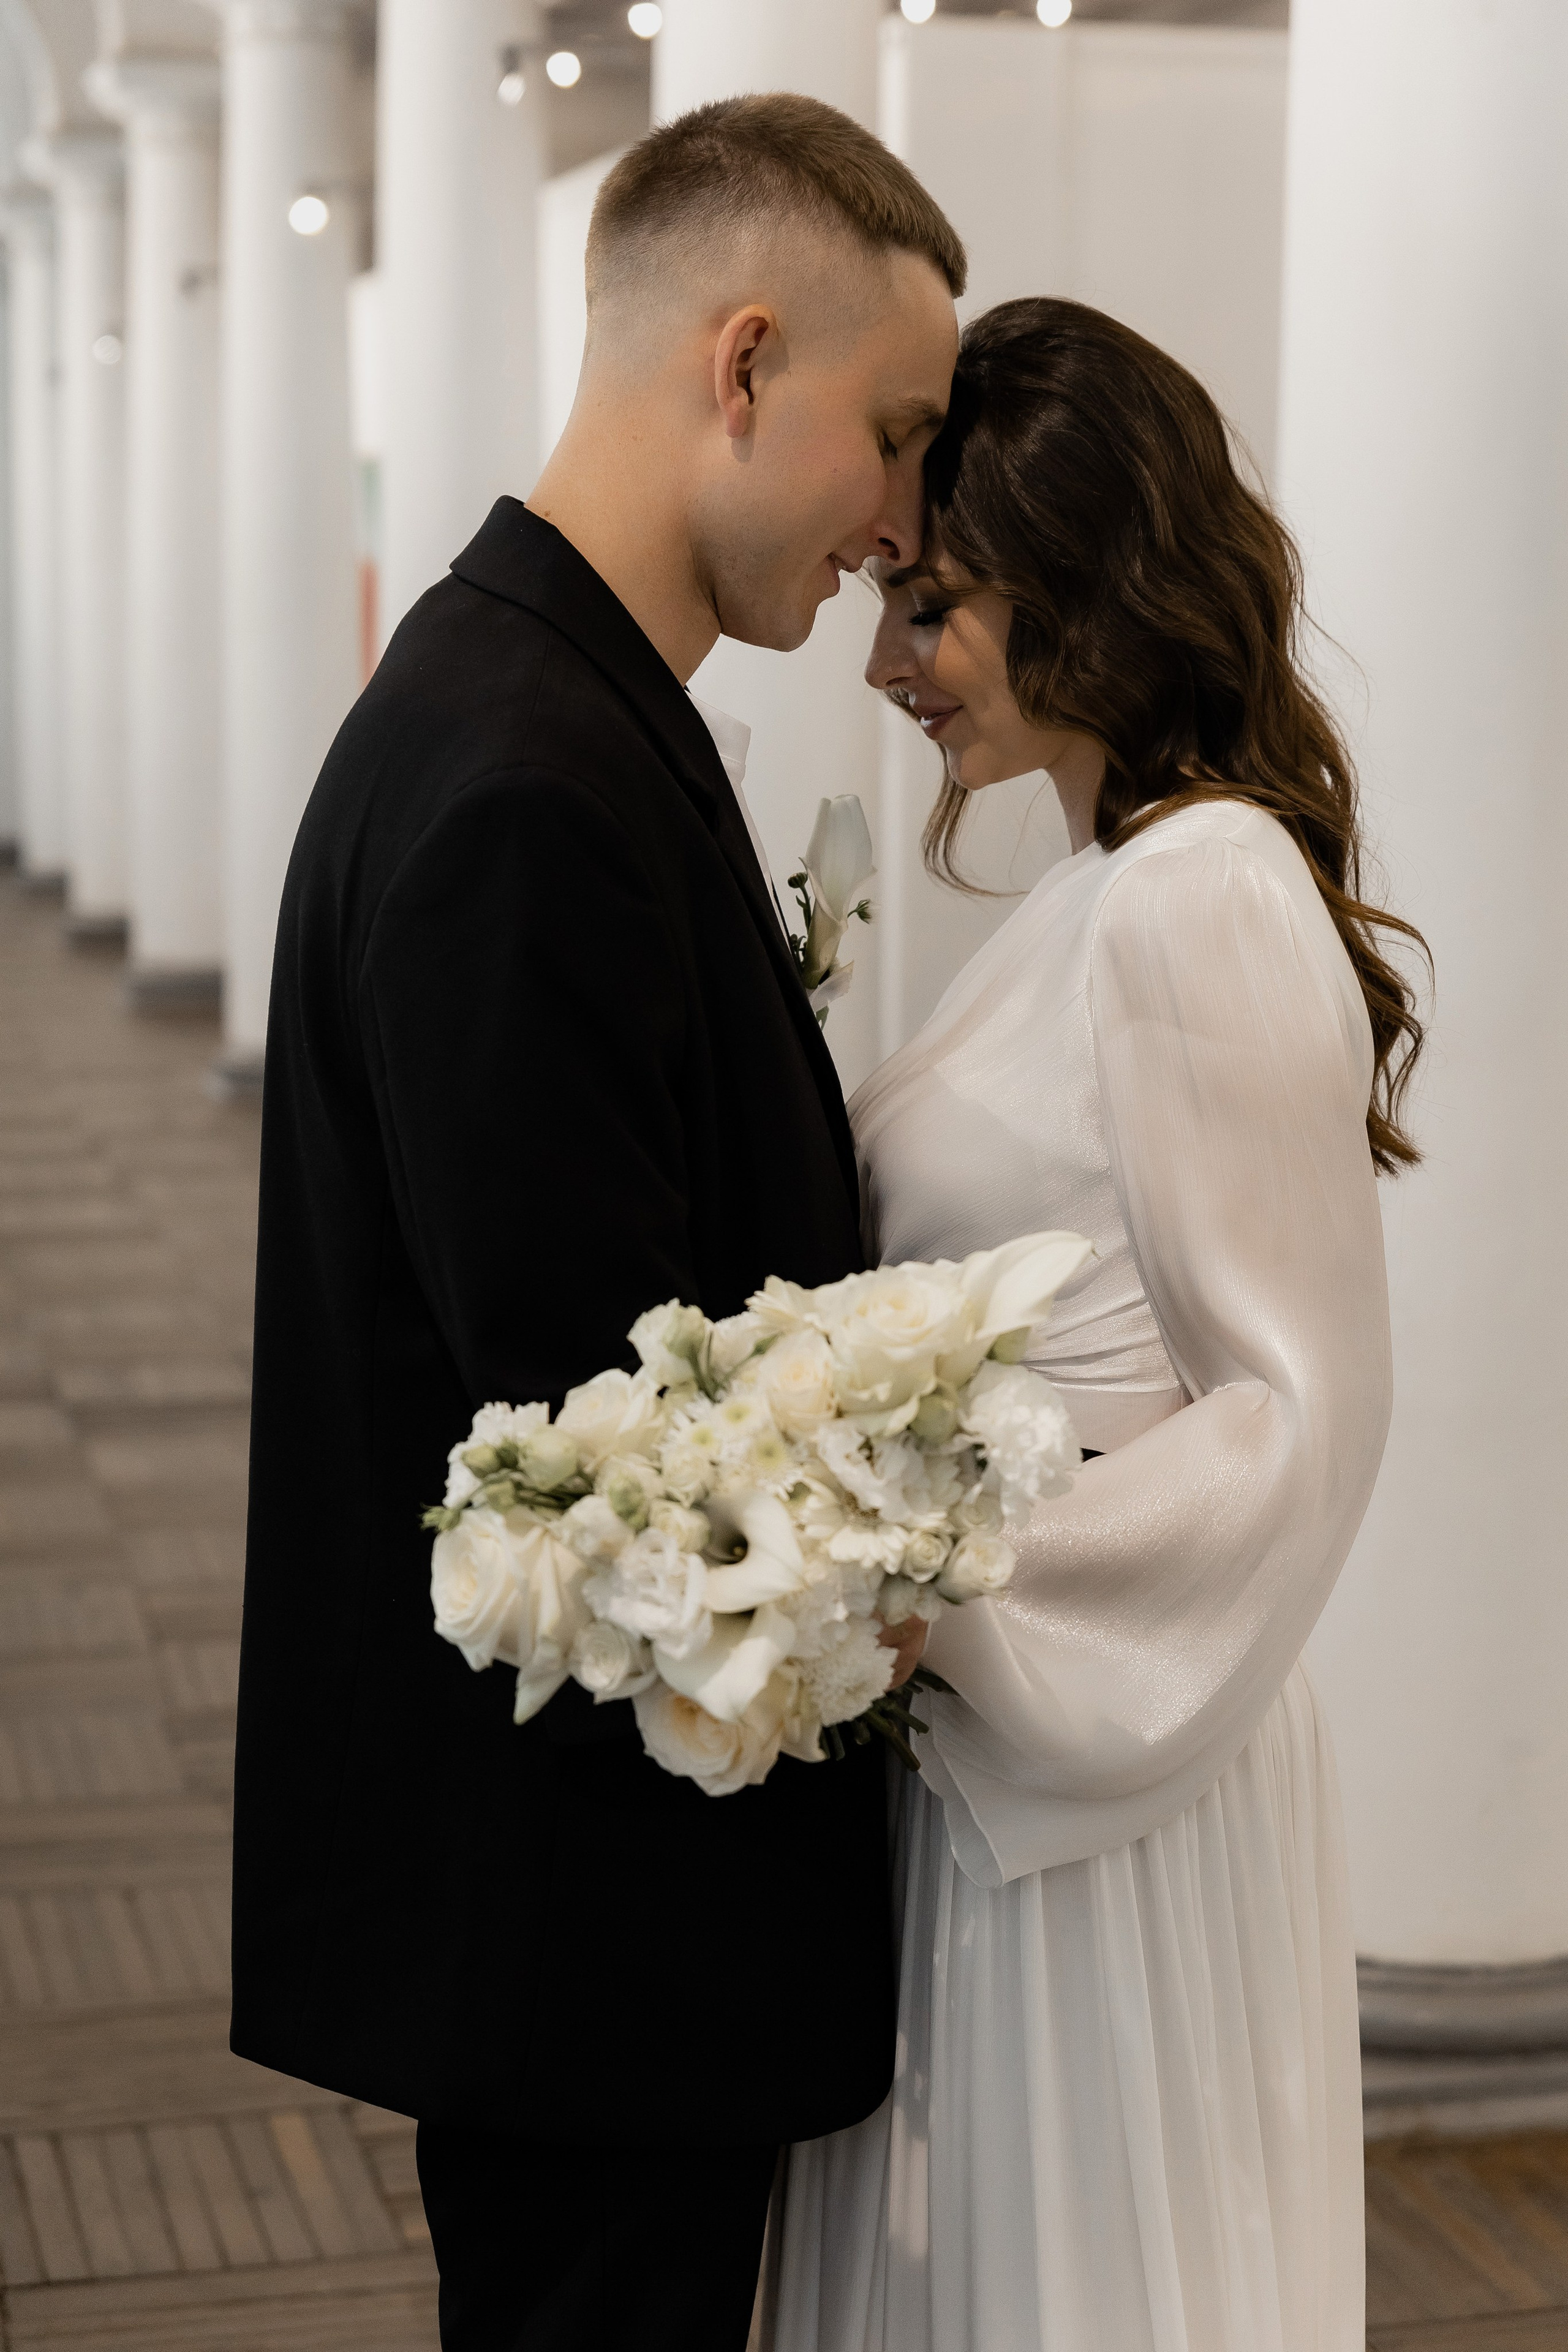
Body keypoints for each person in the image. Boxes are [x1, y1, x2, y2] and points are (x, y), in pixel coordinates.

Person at [228, 97, 961, 2352]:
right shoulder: (528, 773)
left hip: (589, 1913)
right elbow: (610, 1430)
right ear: (743, 364)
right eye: (897, 433)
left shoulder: (546, 701)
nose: (907, 524)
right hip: (594, 1914)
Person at [769, 298, 1428, 2350]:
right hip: (1016, 1746)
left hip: (1099, 1768)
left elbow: (1292, 1413)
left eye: (934, 605)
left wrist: (937, 1582)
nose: (887, 665)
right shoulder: (1101, 882)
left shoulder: (1193, 894)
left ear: (1094, 581)